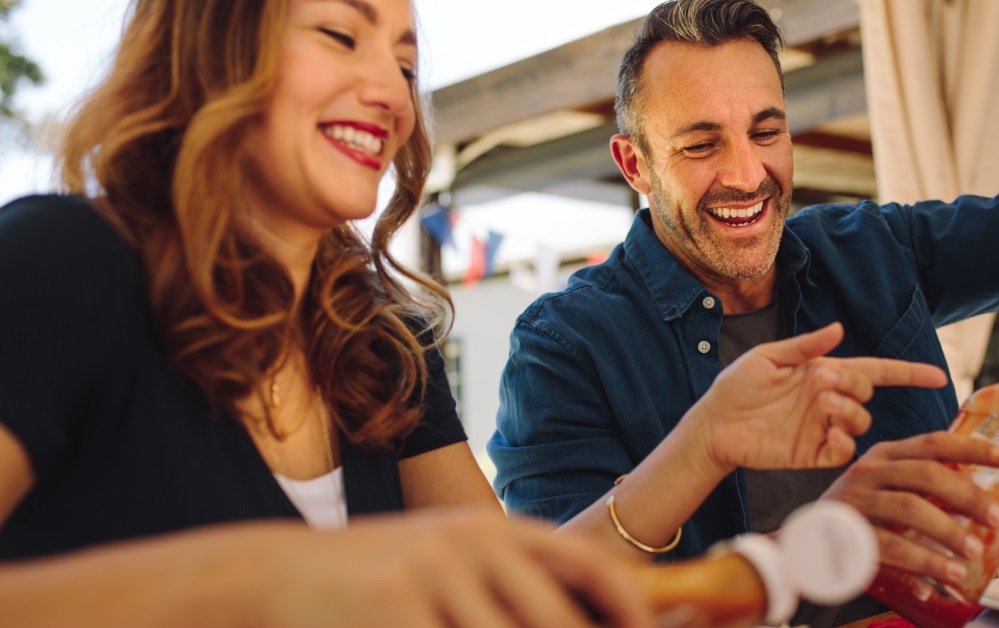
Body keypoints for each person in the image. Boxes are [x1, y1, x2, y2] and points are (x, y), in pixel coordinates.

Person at [488, 0, 999, 624]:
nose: (745, 175)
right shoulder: (564, 345)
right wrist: (817, 537)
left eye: (766, 132)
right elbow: (560, 600)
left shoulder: (869, 248)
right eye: (701, 144)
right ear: (634, 164)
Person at [0, 0, 661, 625]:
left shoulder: (385, 346)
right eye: (341, 36)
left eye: (405, 66)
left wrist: (716, 460)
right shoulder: (62, 262)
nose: (395, 96)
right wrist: (266, 579)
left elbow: (511, 599)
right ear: (211, 45)